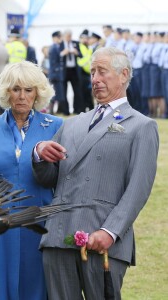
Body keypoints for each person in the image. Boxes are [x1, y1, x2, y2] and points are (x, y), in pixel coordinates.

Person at [32, 47, 159, 300]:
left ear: (123, 75)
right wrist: (38, 153)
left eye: (102, 72)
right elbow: (48, 178)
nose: (95, 79)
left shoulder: (142, 126)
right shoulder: (72, 123)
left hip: (102, 240)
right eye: (92, 73)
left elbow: (137, 189)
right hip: (59, 237)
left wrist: (110, 231)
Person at [0, 60, 63, 300]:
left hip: (40, 226)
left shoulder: (56, 126)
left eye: (28, 90)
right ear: (6, 92)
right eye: (15, 89)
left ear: (38, 93)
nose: (22, 96)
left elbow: (64, 180)